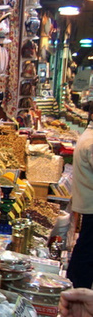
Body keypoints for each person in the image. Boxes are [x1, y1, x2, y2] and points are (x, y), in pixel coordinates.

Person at [67, 102, 93, 290]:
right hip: (90, 204)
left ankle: (76, 282)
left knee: (86, 245)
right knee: (87, 248)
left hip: (88, 203)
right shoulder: (91, 142)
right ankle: (78, 285)